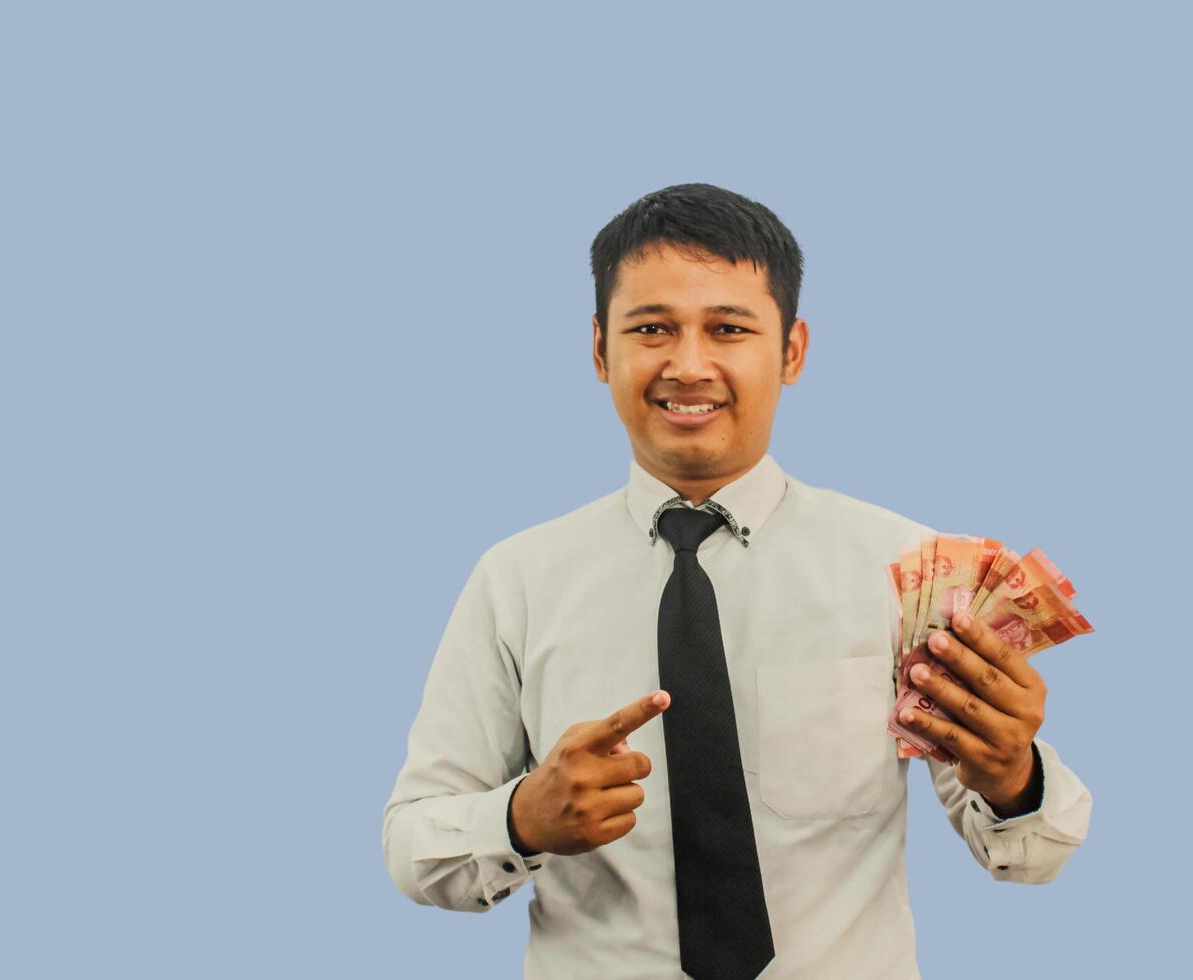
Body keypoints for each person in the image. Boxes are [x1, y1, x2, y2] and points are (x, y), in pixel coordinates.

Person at [381, 183, 1093, 979]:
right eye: (650, 329)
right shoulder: (513, 580)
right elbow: (415, 847)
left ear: (791, 351)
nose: (688, 366)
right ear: (597, 350)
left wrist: (1011, 776)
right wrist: (521, 820)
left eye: (728, 328)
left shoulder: (907, 570)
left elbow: (1032, 858)